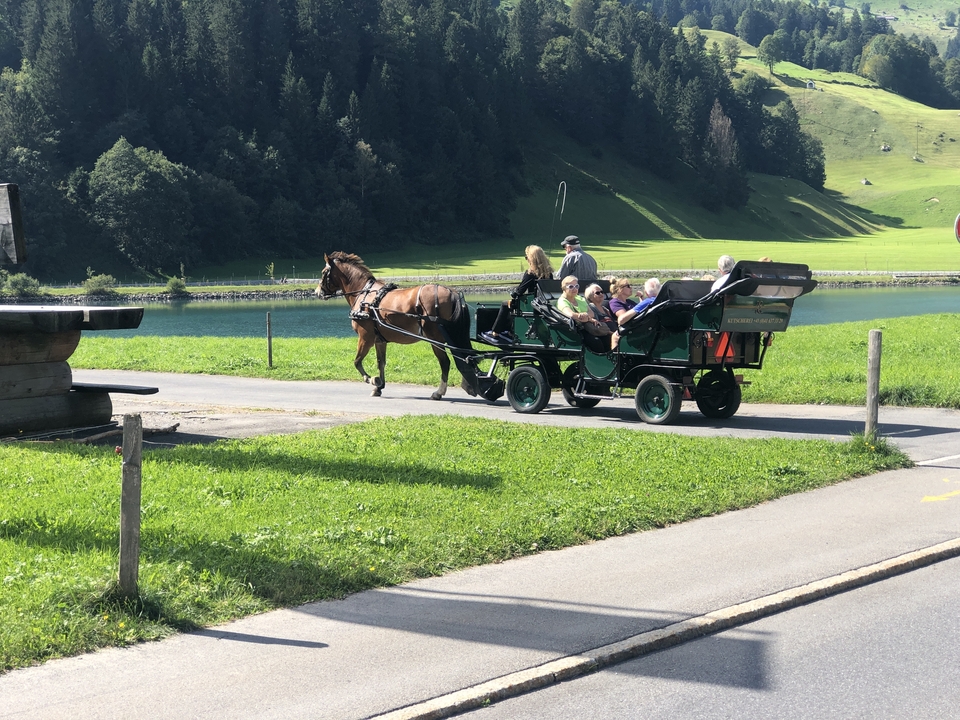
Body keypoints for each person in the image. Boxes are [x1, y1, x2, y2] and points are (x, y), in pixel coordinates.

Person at [481, 245, 553, 344]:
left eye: (527, 257)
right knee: (513, 303)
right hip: (544, 305)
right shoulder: (549, 274)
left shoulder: (531, 273)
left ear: (531, 259)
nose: (527, 260)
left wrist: (514, 294)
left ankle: (496, 332)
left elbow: (519, 291)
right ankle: (510, 331)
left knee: (506, 304)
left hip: (532, 305)